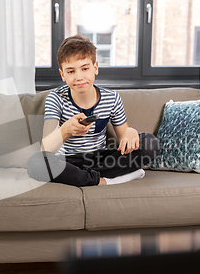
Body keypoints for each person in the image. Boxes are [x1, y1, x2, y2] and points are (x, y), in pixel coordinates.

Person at [27, 34, 159, 187]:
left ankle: (85, 178)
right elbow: (46, 149)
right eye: (71, 71)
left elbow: (124, 142)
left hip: (101, 159)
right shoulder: (55, 98)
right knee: (36, 162)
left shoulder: (112, 98)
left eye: (85, 68)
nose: (79, 77)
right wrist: (66, 129)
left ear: (95, 68)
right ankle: (104, 181)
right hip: (68, 161)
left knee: (150, 143)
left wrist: (131, 132)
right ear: (62, 74)